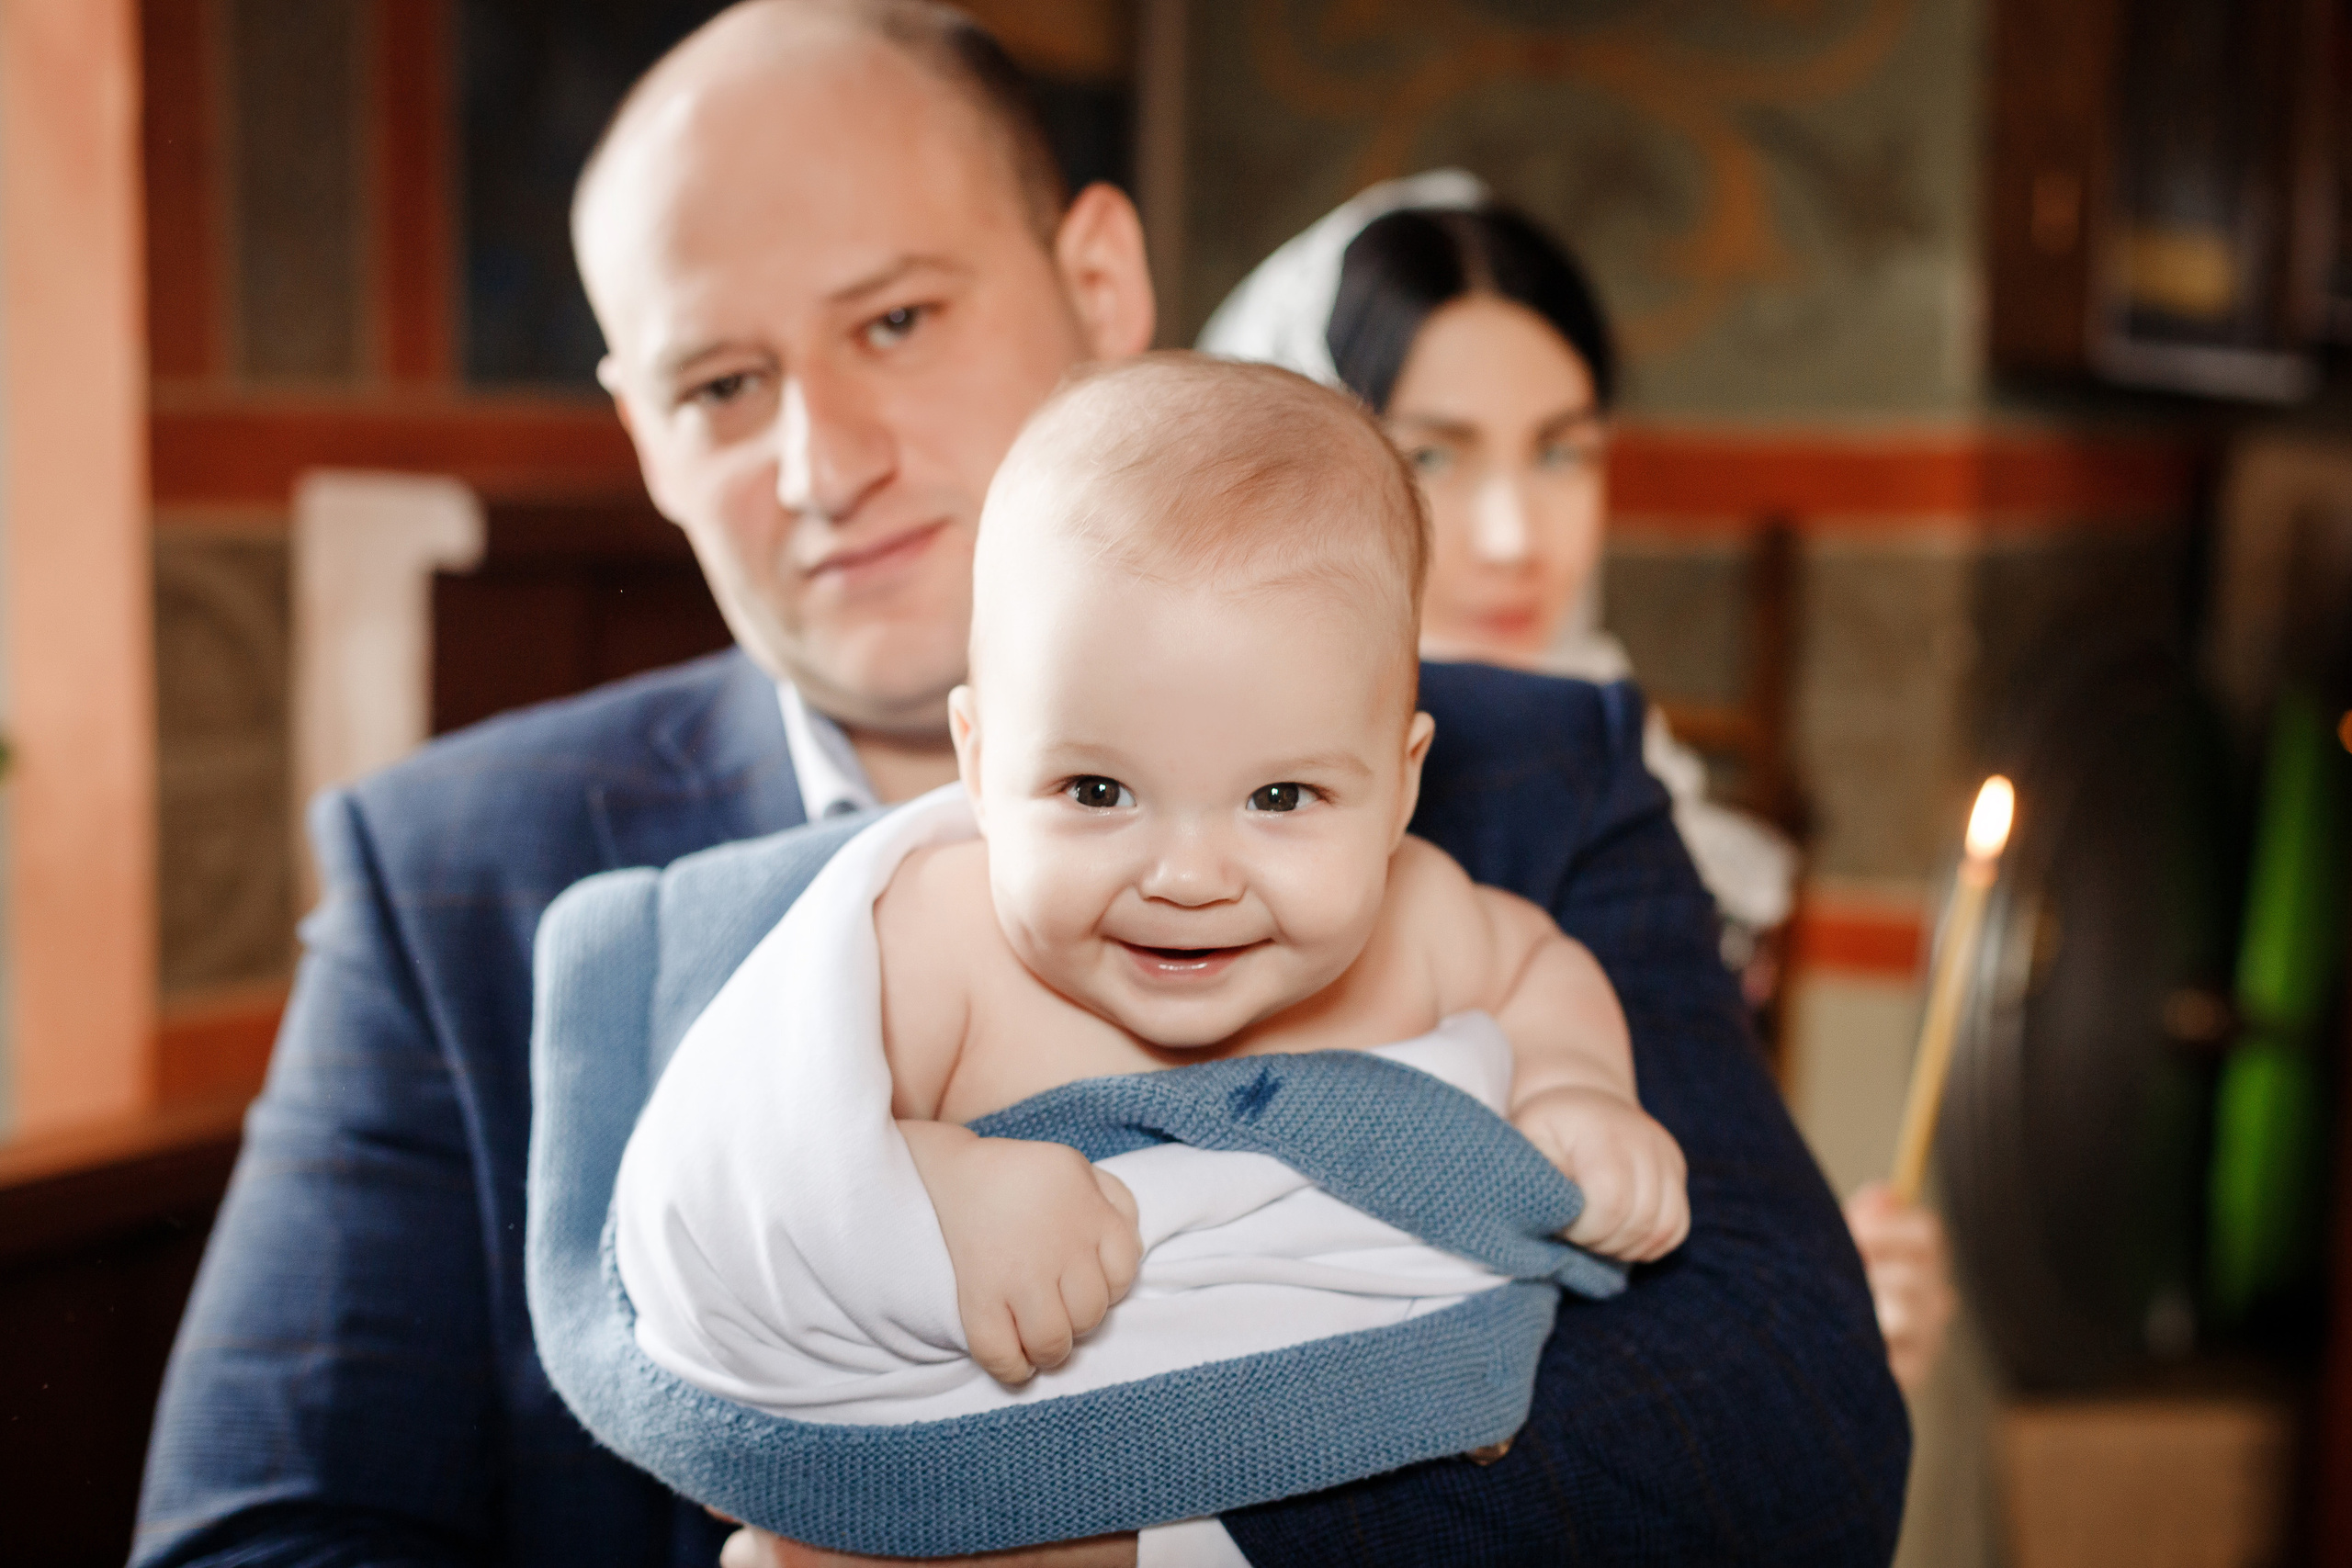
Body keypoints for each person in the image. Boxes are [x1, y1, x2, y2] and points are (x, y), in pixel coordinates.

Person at [132, 6, 1906, 1567]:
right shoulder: (450, 876)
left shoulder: (1532, 771)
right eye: (722, 384)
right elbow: (258, 1537)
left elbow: (1799, 1438)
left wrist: (1126, 1551)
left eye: (896, 319)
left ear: (1101, 284)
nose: (822, 461)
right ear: (642, 434)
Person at [613, 357, 1686, 1452]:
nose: (1187, 878)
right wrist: (930, 1194)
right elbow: (760, 1160)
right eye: (1096, 791)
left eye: (1280, 798)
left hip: (1336, 1458)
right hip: (988, 1476)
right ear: (978, 764)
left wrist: (1576, 1088)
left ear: (1400, 786)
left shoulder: (1421, 921)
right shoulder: (934, 945)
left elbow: (1538, 967)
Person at [1201, 174, 1958, 1396]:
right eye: (1432, 454)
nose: (1516, 536)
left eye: (1562, 451)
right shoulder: (1233, 831)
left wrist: (1823, 1284)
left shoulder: (1624, 765)